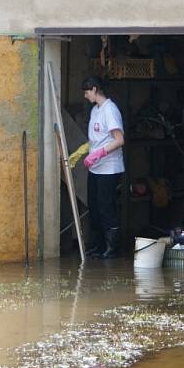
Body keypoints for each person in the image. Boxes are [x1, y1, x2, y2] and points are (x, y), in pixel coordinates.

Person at [69, 76, 125, 258]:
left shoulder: (110, 109)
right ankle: (99, 245)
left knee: (105, 207)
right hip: (95, 168)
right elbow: (96, 139)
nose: (85, 96)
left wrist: (99, 153)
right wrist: (84, 151)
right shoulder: (95, 110)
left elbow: (119, 140)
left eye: (86, 92)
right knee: (94, 206)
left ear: (94, 89)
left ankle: (112, 246)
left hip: (109, 168)